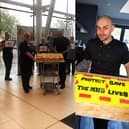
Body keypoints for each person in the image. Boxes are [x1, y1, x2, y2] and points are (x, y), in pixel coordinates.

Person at [78, 16, 129, 129]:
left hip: (112, 88)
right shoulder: (91, 43)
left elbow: (127, 65)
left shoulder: (121, 47)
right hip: (93, 85)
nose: (101, 32)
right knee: (89, 116)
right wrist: (78, 76)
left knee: (106, 118)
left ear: (112, 28)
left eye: (105, 28)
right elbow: (86, 62)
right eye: (98, 28)